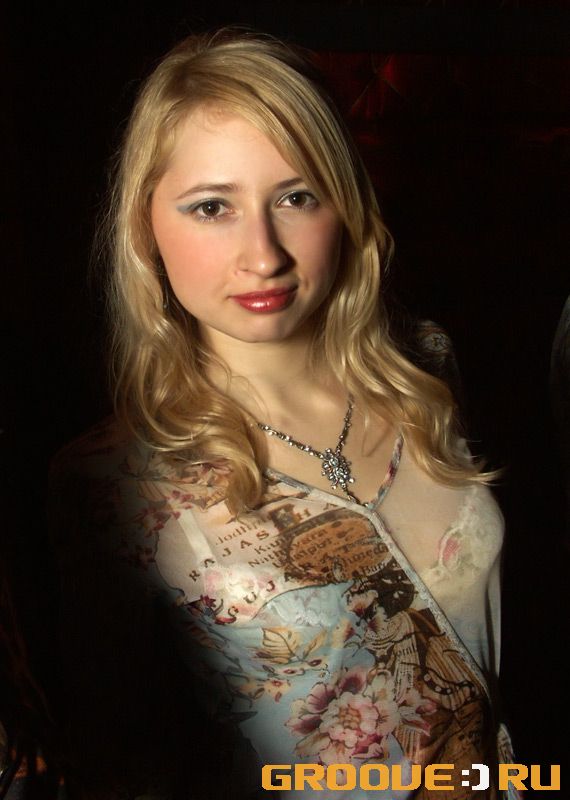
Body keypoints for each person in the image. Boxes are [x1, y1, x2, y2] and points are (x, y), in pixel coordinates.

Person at [50, 29, 519, 800]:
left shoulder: (426, 369)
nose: (264, 255)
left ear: (345, 203)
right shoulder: (108, 484)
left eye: (296, 197)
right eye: (212, 207)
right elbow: (121, 766)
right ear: (145, 228)